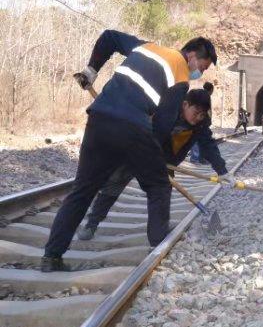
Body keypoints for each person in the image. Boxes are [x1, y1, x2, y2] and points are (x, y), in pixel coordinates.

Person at [41, 30, 217, 272]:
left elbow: (109, 37)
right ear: (192, 55)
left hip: (99, 118)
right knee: (158, 186)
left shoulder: (146, 47)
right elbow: (164, 124)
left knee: (82, 191)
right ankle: (158, 247)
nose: (201, 73)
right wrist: (153, 158)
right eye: (203, 67)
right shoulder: (180, 75)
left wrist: (92, 69)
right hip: (133, 127)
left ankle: (51, 257)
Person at [77, 88, 234, 240]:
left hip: (166, 160)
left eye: (201, 114)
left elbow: (208, 145)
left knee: (163, 191)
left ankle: (160, 229)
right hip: (137, 150)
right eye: (196, 112)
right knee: (114, 183)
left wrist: (222, 170)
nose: (197, 117)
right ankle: (92, 223)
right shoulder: (167, 108)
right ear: (185, 105)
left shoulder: (201, 123)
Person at [189, 82, 215, 165]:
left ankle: (200, 158)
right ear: (210, 90)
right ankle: (196, 158)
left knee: (200, 139)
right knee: (198, 139)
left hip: (199, 120)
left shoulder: (199, 94)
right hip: (200, 121)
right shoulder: (205, 96)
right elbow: (206, 110)